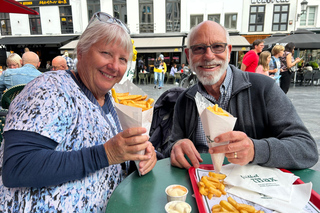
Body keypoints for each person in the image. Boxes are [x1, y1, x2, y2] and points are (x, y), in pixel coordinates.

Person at [0, 12, 156, 212]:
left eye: (123, 59)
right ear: (81, 52)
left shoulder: (108, 98)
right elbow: (17, 167)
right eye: (106, 53)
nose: (115, 66)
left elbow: (112, 154)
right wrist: (106, 154)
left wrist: (138, 157)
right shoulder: (49, 88)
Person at [163, 20, 318, 171]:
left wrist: (256, 150)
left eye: (217, 47)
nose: (209, 56)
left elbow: (307, 149)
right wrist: (176, 147)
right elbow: (171, 145)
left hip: (254, 190)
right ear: (188, 56)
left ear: (229, 52)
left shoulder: (264, 88)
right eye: (199, 48)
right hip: (199, 184)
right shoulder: (185, 100)